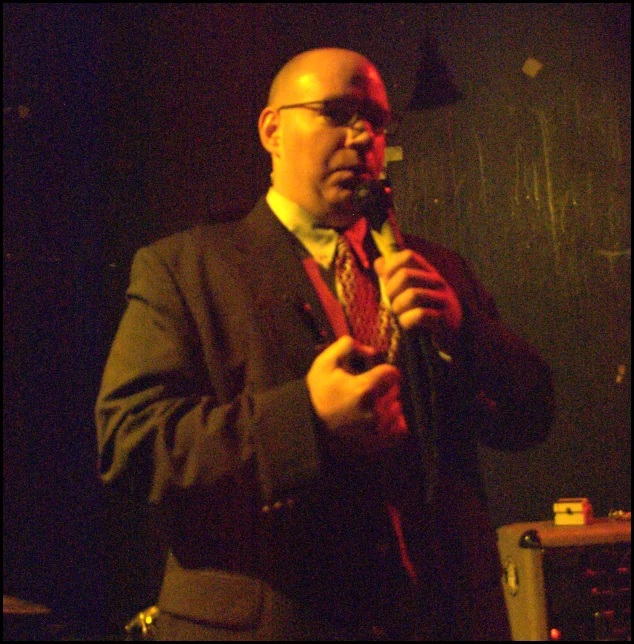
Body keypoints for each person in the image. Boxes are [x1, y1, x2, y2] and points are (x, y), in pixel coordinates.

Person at [96, 47, 554, 640]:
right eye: (336, 112)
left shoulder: (437, 268)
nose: (363, 136)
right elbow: (131, 449)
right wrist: (305, 419)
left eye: (377, 119)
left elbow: (530, 418)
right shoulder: (184, 268)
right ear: (273, 130)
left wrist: (467, 331)